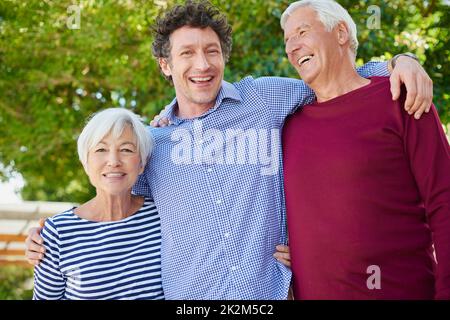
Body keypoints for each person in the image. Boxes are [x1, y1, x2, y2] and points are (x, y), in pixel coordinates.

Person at [26, 0, 434, 300]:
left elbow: (335, 75)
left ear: (224, 57)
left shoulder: (267, 98)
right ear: (165, 65)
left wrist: (400, 62)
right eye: (186, 53)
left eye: (211, 51)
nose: (201, 65)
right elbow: (113, 197)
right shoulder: (155, 144)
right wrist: (48, 235)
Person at [279, 0, 450, 299]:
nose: (292, 47)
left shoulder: (400, 99)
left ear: (341, 33)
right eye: (287, 40)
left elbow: (444, 201)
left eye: (302, 32)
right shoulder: (288, 126)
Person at [33, 108, 164, 300]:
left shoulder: (162, 214)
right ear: (85, 162)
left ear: (142, 163)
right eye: (101, 149)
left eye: (126, 149)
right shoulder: (58, 232)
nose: (113, 161)